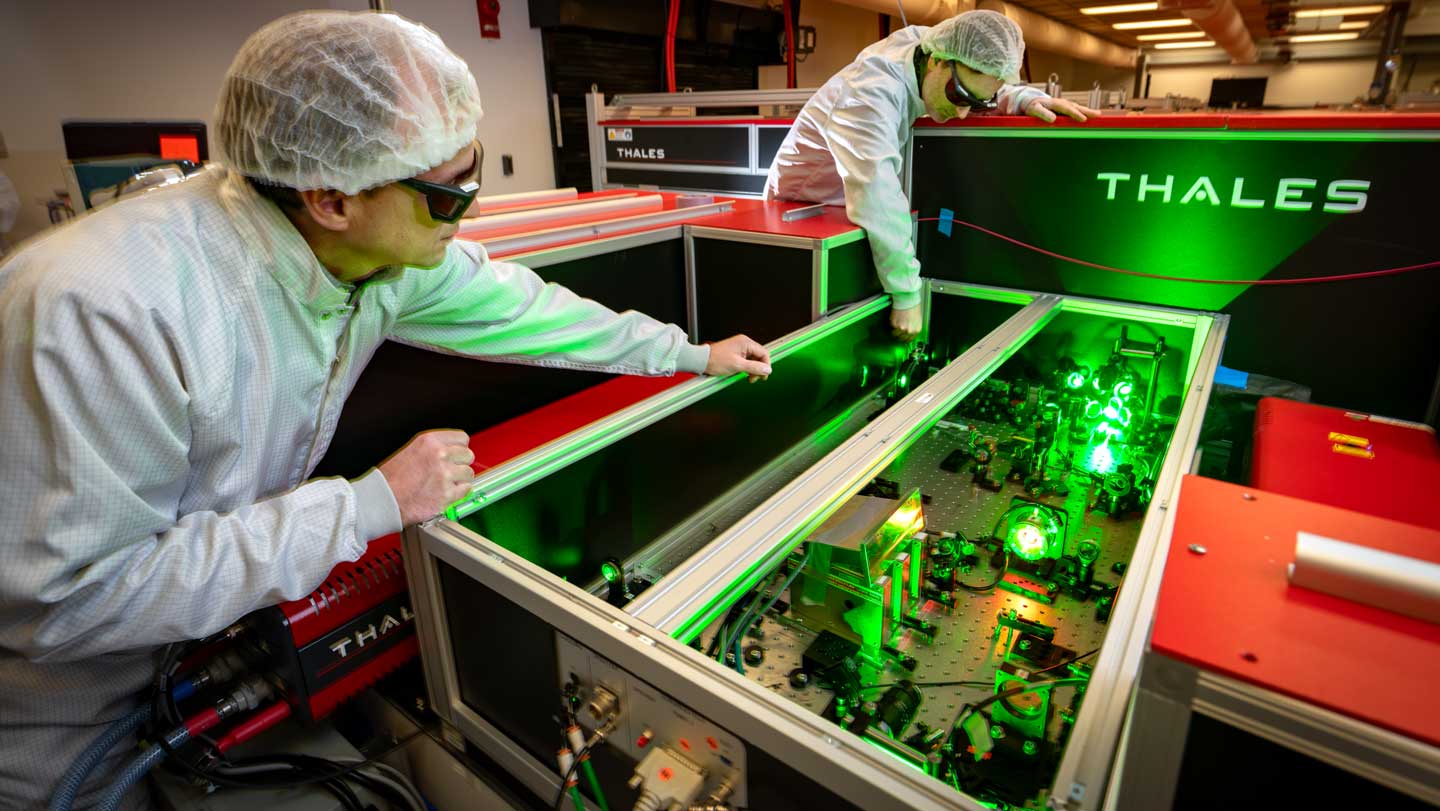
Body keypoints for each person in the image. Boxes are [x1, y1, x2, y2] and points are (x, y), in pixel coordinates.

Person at [0, 11, 770, 810]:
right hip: (65, 732)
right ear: (331, 198)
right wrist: (366, 505)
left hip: (197, 675)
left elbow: (526, 309)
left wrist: (685, 353)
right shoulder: (105, 308)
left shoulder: (368, 256)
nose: (467, 211)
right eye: (448, 195)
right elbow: (71, 599)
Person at [765, 10, 1100, 340]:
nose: (961, 112)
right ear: (938, 61)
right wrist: (908, 295)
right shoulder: (869, 95)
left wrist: (1022, 97)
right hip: (803, 216)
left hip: (850, 209)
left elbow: (981, 77)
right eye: (958, 96)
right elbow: (876, 196)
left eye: (976, 103)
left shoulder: (930, 48)